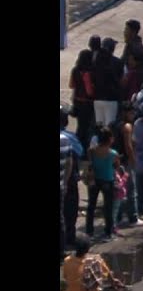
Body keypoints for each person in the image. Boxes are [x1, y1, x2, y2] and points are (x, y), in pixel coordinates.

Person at [85, 126, 120, 240]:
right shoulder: (113, 153)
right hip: (107, 180)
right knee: (108, 207)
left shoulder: (91, 151)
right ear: (110, 139)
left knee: (91, 206)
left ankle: (89, 231)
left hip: (94, 180)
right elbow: (116, 166)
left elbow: (90, 162)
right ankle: (108, 232)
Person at [61, 106, 85, 254]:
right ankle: (68, 240)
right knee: (69, 212)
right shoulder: (68, 138)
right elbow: (80, 151)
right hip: (68, 181)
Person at [69, 49, 97, 149]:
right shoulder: (90, 71)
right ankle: (83, 149)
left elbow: (71, 85)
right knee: (87, 127)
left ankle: (77, 147)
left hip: (77, 101)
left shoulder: (75, 70)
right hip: (88, 103)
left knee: (80, 126)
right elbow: (89, 91)